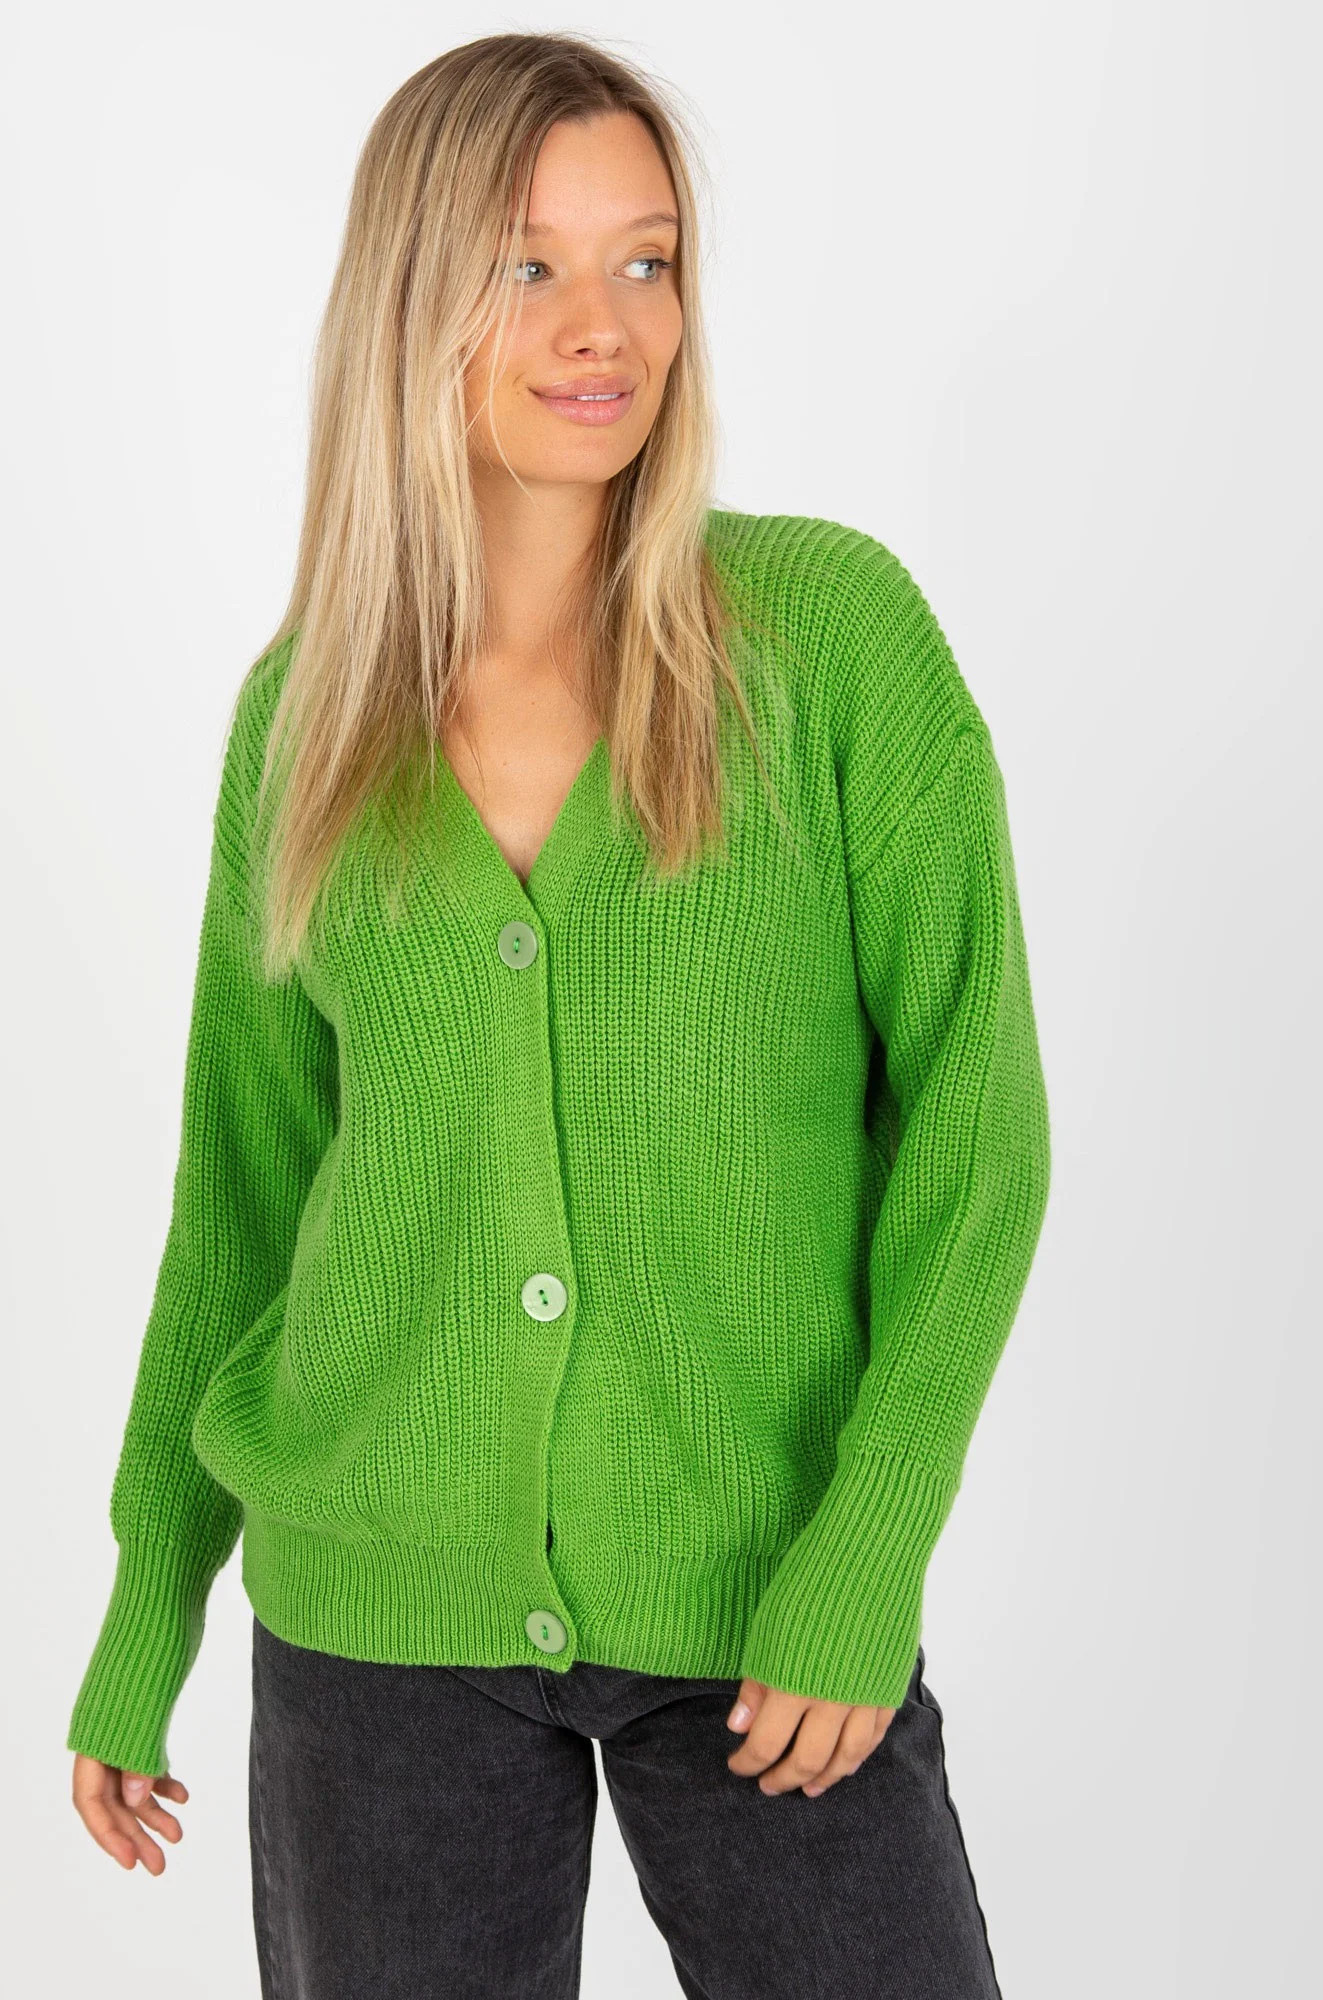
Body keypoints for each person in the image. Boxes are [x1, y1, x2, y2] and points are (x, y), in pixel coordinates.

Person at [65, 30, 1051, 2000]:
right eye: (529, 264)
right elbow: (241, 1204)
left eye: (647, 259)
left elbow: (975, 1131)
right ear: (413, 294)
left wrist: (868, 1551)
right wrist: (147, 1599)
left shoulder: (830, 643)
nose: (605, 325)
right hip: (376, 1617)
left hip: (769, 1602)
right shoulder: (304, 718)